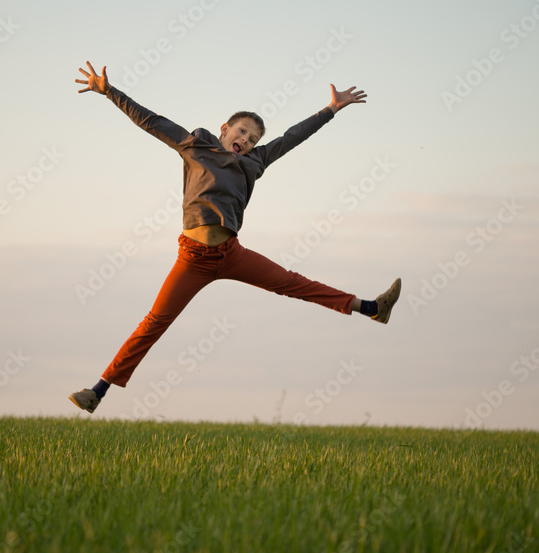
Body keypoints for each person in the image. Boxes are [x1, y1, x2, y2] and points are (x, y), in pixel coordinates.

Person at [69, 61, 400, 414]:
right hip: (192, 259)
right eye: (241, 132)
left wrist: (331, 109)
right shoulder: (194, 146)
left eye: (253, 138)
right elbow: (152, 121)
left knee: (293, 283)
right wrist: (109, 91)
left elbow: (292, 137)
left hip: (230, 253)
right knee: (154, 322)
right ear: (225, 129)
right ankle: (98, 391)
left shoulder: (256, 162)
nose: (246, 140)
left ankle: (372, 309)